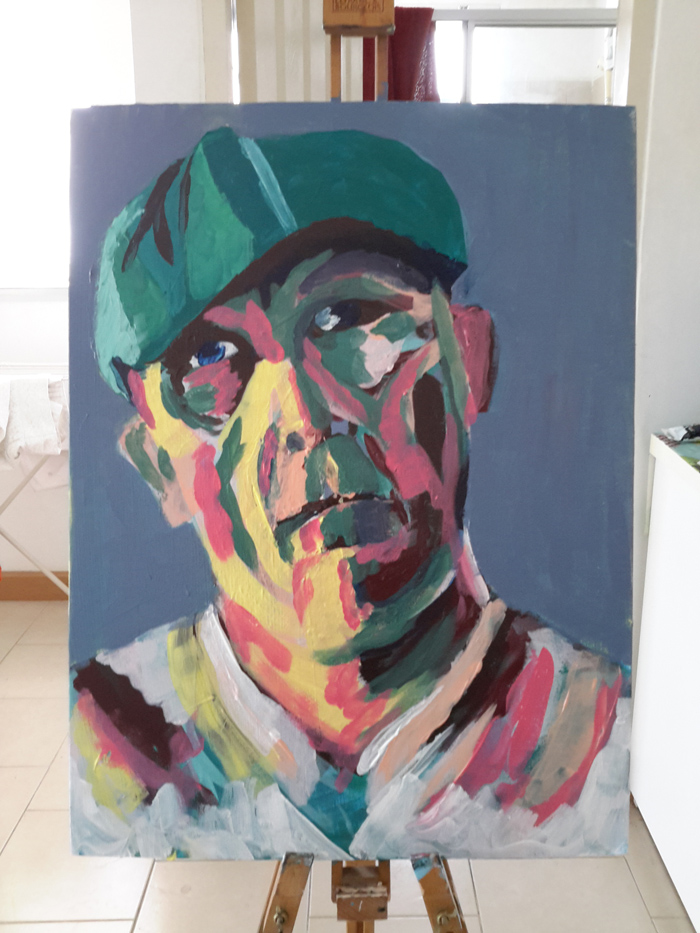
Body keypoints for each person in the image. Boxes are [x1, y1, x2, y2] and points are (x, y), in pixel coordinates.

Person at [70, 126, 630, 860]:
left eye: (346, 318)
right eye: (209, 361)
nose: (304, 418)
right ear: (159, 471)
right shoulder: (104, 751)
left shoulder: (604, 743)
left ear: (469, 360)